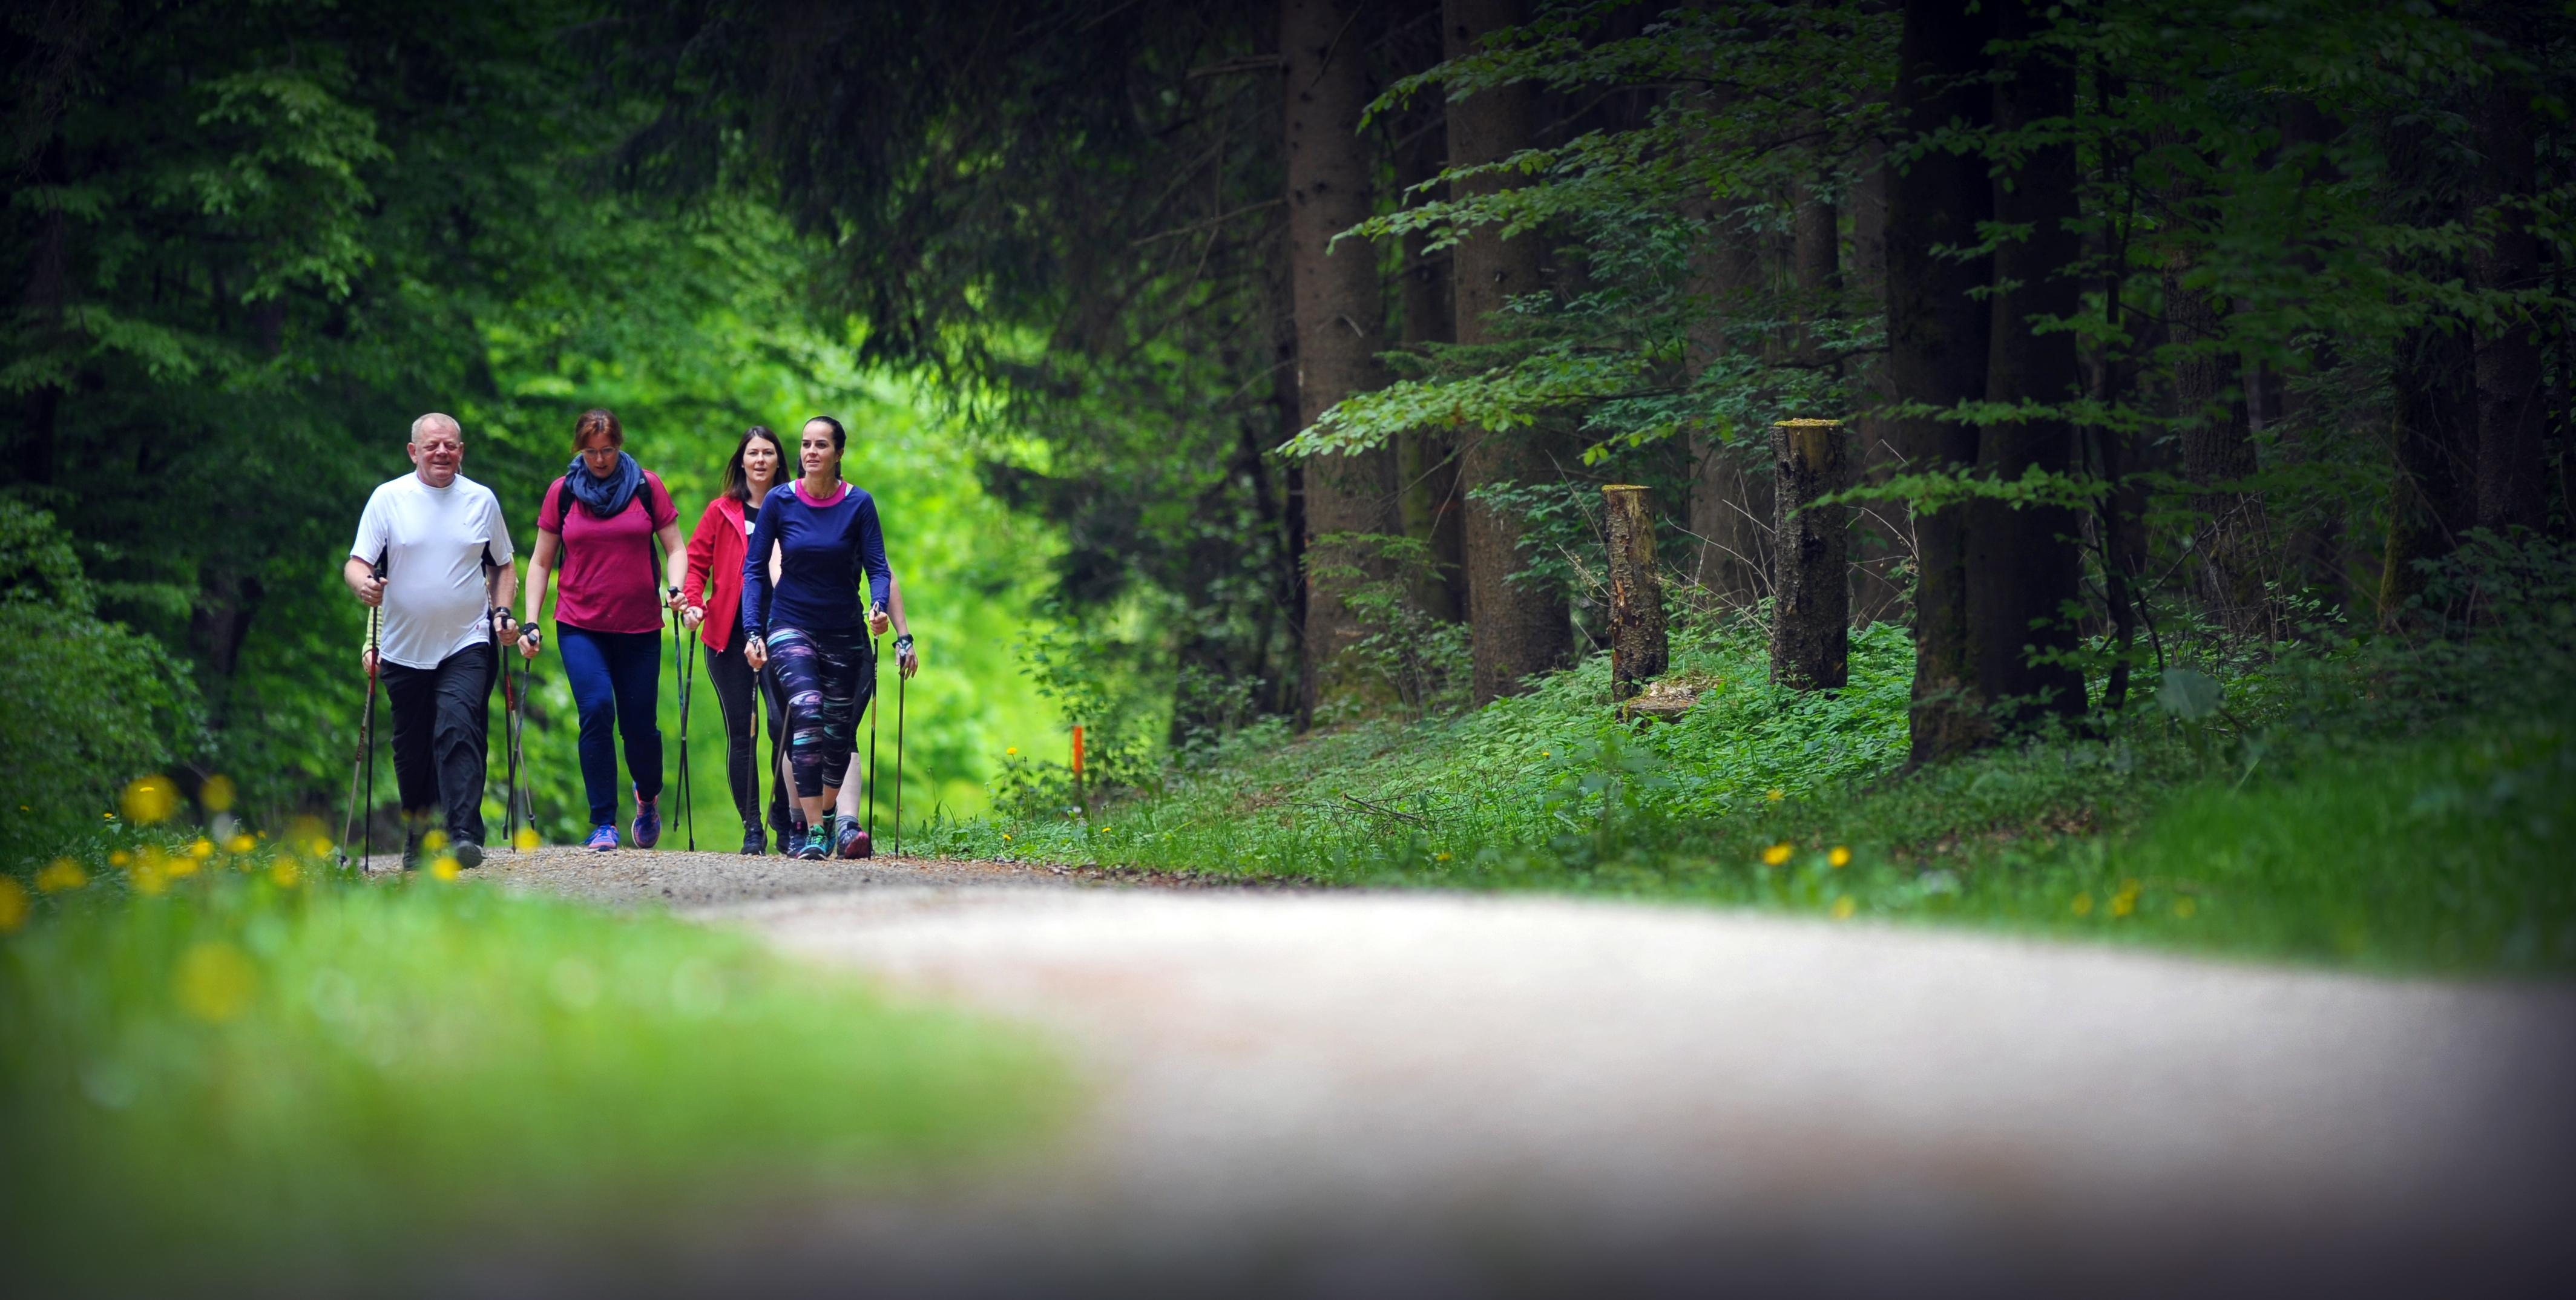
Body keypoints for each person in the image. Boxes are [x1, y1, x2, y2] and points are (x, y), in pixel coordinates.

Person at [344, 412, 514, 870]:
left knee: (459, 727)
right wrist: (363, 584)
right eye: (433, 445)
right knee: (413, 747)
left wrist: (501, 612)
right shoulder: (388, 499)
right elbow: (358, 562)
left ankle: (462, 834)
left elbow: (503, 564)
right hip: (403, 646)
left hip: (467, 640)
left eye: (451, 445)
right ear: (413, 451)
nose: (443, 453)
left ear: (462, 451)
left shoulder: (481, 501)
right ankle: (420, 834)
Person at [517, 407, 687, 852]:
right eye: (590, 451)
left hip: (639, 627)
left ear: (619, 445)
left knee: (640, 728)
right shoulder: (564, 493)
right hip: (580, 625)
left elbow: (675, 547)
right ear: (580, 450)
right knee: (595, 710)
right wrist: (531, 621)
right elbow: (540, 561)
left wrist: (675, 587)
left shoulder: (646, 488)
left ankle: (647, 795)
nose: (599, 459)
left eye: (607, 450)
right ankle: (603, 823)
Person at [740, 415, 893, 861]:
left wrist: (879, 607)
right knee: (806, 712)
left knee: (837, 730)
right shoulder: (780, 502)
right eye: (806, 444)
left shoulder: (859, 505)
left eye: (821, 445)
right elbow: (754, 570)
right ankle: (810, 830)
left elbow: (878, 567)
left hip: (844, 629)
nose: (810, 452)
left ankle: (827, 818)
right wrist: (753, 629)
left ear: (838, 454)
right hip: (790, 623)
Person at [680, 425, 794, 855]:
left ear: (778, 461)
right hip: (726, 637)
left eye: (768, 453)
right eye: (753, 453)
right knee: (741, 733)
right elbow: (696, 564)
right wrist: (693, 603)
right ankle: (752, 826)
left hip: (782, 630)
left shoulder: (793, 506)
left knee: (782, 725)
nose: (760, 460)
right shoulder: (721, 511)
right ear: (742, 461)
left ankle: (784, 816)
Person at [818, 579, 920, 858]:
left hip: (852, 637)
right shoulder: (790, 533)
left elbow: (883, 572)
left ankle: (847, 826)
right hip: (803, 635)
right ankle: (809, 823)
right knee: (809, 728)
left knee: (845, 730)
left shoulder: (861, 532)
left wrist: (904, 636)